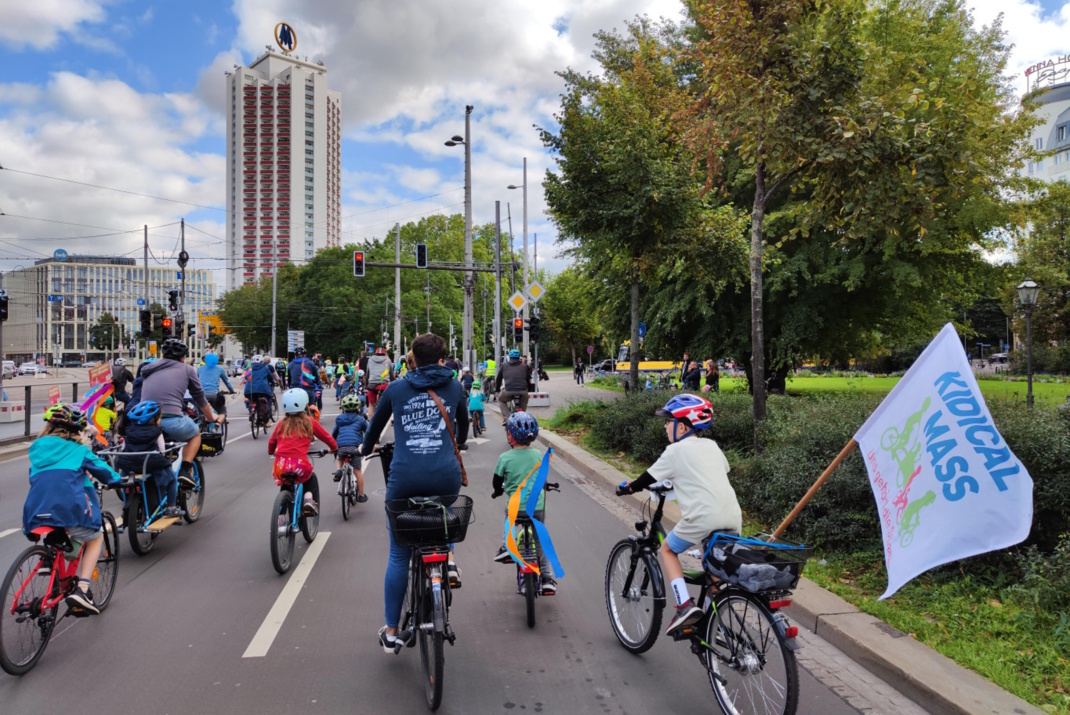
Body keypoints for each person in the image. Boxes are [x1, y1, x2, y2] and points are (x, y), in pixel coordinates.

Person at [361, 332, 469, 653]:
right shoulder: (455, 387)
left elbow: (374, 428)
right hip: (446, 480)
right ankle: (446, 560)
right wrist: (456, 442)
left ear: (412, 359)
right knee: (443, 513)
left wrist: (366, 449)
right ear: (441, 360)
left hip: (404, 482)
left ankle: (392, 631)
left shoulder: (396, 388)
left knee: (399, 554)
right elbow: (462, 430)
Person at [616, 394, 741, 636]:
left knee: (667, 550)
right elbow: (713, 472)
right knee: (712, 570)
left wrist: (627, 488)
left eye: (668, 421)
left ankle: (684, 605)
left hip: (704, 518)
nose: (665, 426)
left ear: (681, 426)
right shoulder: (712, 446)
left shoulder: (674, 451)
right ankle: (716, 627)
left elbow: (646, 479)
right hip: (732, 516)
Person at [22, 403, 123, 615]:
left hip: (35, 512)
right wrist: (118, 480)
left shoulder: (37, 450)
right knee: (94, 537)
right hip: (69, 510)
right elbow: (107, 473)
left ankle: (48, 562)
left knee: (57, 528)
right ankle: (83, 589)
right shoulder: (79, 450)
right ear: (77, 430)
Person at [140, 338, 224, 484]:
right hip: (171, 420)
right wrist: (211, 418)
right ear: (182, 357)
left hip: (143, 421)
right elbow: (200, 398)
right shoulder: (187, 369)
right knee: (195, 434)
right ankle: (185, 469)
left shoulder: (149, 369)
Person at [491, 411, 557, 595]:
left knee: (509, 518)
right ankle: (547, 579)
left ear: (510, 436)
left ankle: (507, 545)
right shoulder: (537, 455)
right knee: (540, 541)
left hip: (516, 509)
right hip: (537, 509)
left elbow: (497, 481)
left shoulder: (504, 458)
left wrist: (497, 491)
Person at [268, 388, 337, 517]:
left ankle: (281, 517)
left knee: (285, 483)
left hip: (280, 465)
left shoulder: (281, 423)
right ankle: (308, 501)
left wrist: (271, 451)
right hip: (299, 464)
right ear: (305, 404)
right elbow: (326, 437)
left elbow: (272, 442)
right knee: (308, 477)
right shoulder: (309, 421)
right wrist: (334, 448)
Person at [117, 400, 182, 518]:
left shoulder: (128, 432)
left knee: (125, 482)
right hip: (150, 464)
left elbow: (124, 449)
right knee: (172, 479)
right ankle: (171, 508)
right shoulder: (157, 432)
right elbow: (162, 451)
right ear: (154, 419)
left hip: (130, 465)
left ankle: (125, 509)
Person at [331, 393, 369, 501]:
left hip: (341, 447)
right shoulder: (360, 420)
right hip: (355, 448)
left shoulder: (339, 419)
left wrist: (332, 445)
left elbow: (334, 434)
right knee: (357, 471)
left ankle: (339, 470)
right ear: (358, 408)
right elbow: (368, 432)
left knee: (339, 457)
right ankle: (361, 495)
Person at [197, 352, 235, 416]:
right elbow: (226, 382)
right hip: (214, 394)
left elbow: (195, 382)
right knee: (222, 411)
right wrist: (231, 391)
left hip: (202, 395)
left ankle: (202, 422)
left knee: (201, 413)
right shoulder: (219, 369)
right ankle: (218, 424)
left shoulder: (199, 369)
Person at [244, 355, 277, 424]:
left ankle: (252, 413)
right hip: (262, 390)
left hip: (249, 389)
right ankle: (265, 420)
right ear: (262, 361)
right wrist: (273, 383)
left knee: (252, 400)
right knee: (267, 400)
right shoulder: (265, 368)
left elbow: (246, 377)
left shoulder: (250, 368)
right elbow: (270, 377)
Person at [496, 349, 532, 414]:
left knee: (500, 400)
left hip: (508, 390)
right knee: (523, 405)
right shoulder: (524, 367)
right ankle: (522, 416)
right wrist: (528, 390)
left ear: (509, 357)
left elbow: (498, 379)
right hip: (522, 391)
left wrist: (497, 389)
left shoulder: (504, 365)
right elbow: (528, 380)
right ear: (519, 358)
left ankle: (507, 419)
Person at [364, 346, 395, 419]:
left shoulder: (370, 360)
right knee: (388, 403)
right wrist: (393, 383)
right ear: (385, 353)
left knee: (371, 404)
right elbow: (391, 374)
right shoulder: (388, 360)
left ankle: (371, 422)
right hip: (384, 384)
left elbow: (367, 373)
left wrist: (366, 385)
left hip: (372, 384)